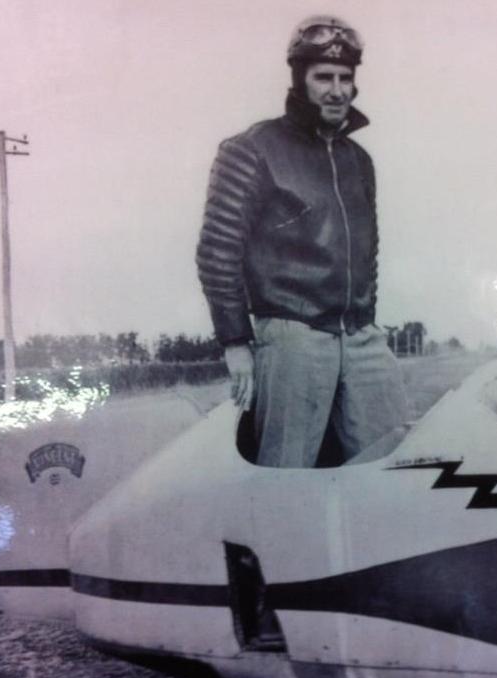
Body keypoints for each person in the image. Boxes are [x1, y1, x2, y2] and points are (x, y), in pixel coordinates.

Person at [196, 15, 408, 468]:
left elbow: (368, 256)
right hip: (293, 336)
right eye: (324, 77)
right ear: (299, 79)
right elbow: (217, 249)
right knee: (284, 474)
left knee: (394, 466)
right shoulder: (252, 149)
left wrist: (366, 319)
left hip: (361, 336)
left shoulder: (359, 161)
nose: (337, 90)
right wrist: (235, 342)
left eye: (345, 78)